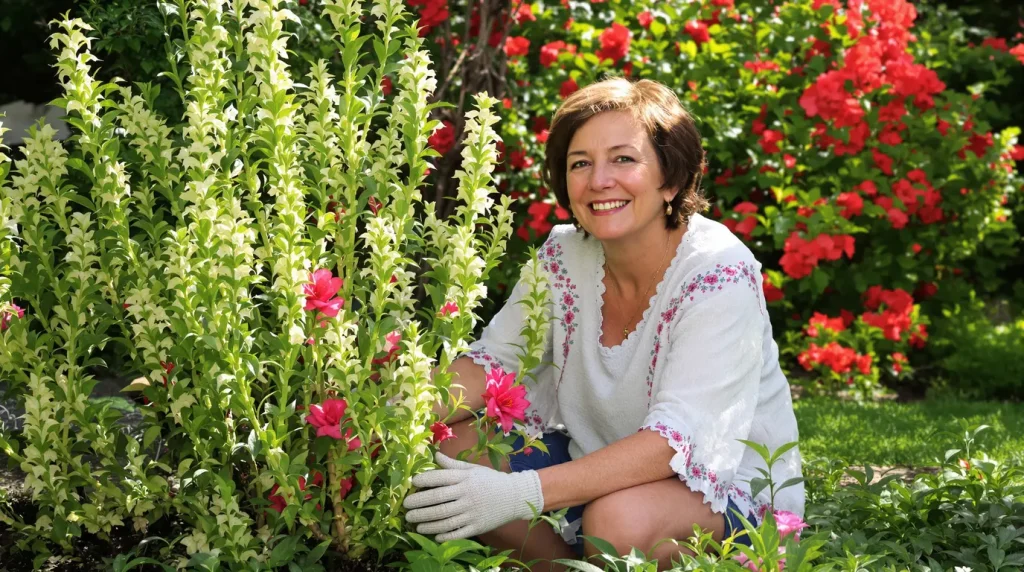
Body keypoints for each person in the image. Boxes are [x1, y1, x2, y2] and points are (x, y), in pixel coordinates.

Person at [403, 77, 804, 570]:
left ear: (672, 179)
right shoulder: (563, 255)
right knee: (455, 444)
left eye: (623, 159)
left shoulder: (718, 270)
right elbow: (495, 367)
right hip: (595, 470)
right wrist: (395, 414)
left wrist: (519, 493)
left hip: (721, 495)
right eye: (580, 164)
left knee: (619, 525)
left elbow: (674, 444)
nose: (599, 181)